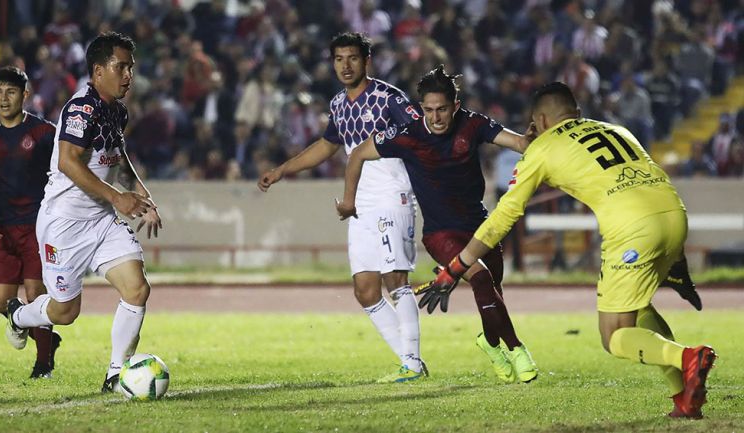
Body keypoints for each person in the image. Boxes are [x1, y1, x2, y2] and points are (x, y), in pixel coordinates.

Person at [421, 82, 715, 418]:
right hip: (675, 214)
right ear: (575, 113)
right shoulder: (616, 129)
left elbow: (503, 217)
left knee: (614, 335)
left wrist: (456, 266)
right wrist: (677, 267)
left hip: (631, 229)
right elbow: (646, 183)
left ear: (541, 121)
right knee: (638, 309)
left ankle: (689, 357)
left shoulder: (542, 148)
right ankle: (683, 397)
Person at [336, 65, 539, 384]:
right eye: (429, 110)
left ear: (455, 106)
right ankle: (517, 349)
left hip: (481, 228)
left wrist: (530, 140)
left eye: (442, 109)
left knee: (492, 292)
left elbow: (517, 143)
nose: (436, 117)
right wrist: (349, 200)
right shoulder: (407, 135)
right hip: (441, 234)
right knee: (483, 280)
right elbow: (358, 154)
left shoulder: (472, 124)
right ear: (420, 109)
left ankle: (490, 342)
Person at [257, 32, 425, 383]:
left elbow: (421, 133)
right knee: (365, 290)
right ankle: (409, 362)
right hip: (360, 203)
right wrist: (283, 170)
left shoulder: (388, 98)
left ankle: (412, 361)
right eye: (338, 59)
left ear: (367, 61)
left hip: (392, 195)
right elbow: (327, 145)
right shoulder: (338, 105)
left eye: (352, 58)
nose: (345, 65)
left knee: (396, 279)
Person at [4, 32, 162, 393]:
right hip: (64, 225)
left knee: (136, 289)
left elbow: (117, 159)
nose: (128, 75)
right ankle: (18, 315)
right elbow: (69, 162)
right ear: (98, 69)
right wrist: (119, 198)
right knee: (65, 313)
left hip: (101, 222)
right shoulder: (81, 108)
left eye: (131, 68)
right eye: (120, 67)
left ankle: (116, 374)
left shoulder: (116, 110)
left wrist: (142, 196)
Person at [0, 66, 61, 378]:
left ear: (25, 95)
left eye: (10, 91)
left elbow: (65, 169)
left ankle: (43, 365)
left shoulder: (44, 133)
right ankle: (44, 336)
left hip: (39, 228)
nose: (3, 98)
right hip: (5, 229)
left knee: (36, 294)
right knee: (1, 301)